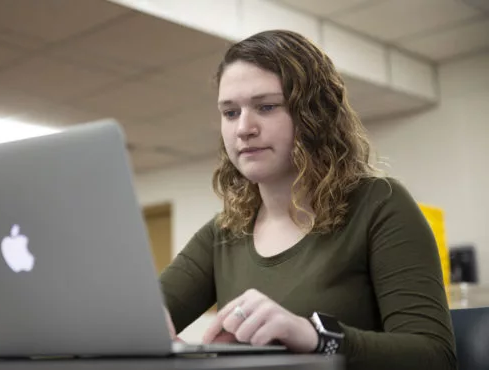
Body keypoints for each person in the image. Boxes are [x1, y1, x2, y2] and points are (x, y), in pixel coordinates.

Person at [158, 30, 457, 370]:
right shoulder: (224, 231)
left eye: (266, 107)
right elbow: (143, 316)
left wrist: (316, 337)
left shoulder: (379, 205)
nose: (243, 128)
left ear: (314, 114)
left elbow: (435, 357)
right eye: (230, 112)